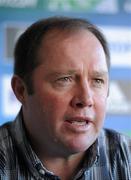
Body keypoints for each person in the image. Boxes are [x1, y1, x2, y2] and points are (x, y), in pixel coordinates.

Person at [0, 16, 131, 180]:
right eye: (64, 79)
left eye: (97, 80)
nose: (85, 99)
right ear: (21, 90)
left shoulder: (127, 158)